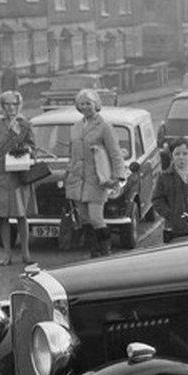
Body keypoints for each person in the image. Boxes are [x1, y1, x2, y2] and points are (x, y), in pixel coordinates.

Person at [64, 88, 125, 257]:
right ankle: (94, 251)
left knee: (96, 218)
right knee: (84, 219)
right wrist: (69, 171)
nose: (85, 107)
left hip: (97, 179)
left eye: (88, 103)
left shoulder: (104, 126)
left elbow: (115, 152)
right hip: (77, 179)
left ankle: (106, 252)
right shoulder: (75, 127)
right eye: (82, 104)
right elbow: (72, 154)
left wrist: (118, 177)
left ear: (96, 104)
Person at [0, 90, 36, 266]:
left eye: (14, 104)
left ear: (19, 105)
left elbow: (33, 147)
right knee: (2, 216)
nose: (11, 108)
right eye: (7, 104)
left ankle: (25, 253)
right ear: (1, 106)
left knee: (21, 215)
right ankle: (7, 253)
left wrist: (25, 148)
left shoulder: (25, 124)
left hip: (17, 174)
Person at [153, 138, 188, 242]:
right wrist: (171, 215)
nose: (181, 157)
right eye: (177, 154)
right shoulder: (164, 177)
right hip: (172, 230)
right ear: (172, 155)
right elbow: (157, 200)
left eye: (185, 154)